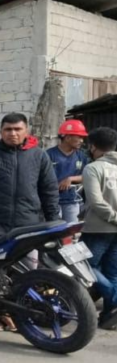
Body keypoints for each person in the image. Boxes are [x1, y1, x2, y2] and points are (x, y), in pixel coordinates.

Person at [0, 113, 61, 329]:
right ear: (1, 132)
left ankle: (24, 315)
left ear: (26, 131)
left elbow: (49, 191)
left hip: (28, 225)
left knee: (28, 271)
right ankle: (3, 315)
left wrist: (54, 220)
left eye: (17, 129)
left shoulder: (39, 156)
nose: (13, 133)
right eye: (8, 129)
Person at [81, 127, 117, 331]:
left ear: (93, 146)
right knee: (113, 272)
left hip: (98, 228)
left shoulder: (93, 168)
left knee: (85, 265)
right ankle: (109, 316)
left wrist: (114, 218)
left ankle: (113, 297)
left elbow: (96, 202)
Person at [47, 119, 90, 224]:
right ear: (67, 137)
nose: (82, 141)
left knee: (70, 232)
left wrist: (70, 179)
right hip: (51, 202)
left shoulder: (81, 156)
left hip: (72, 201)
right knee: (53, 233)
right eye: (79, 137)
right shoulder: (48, 155)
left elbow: (88, 175)